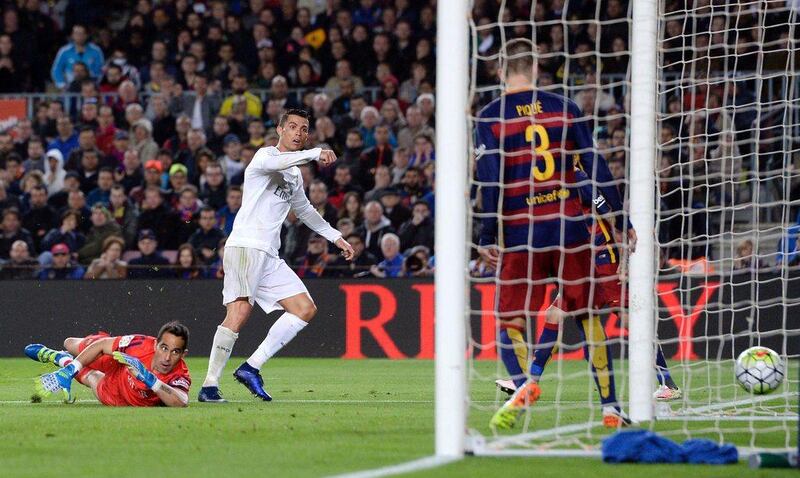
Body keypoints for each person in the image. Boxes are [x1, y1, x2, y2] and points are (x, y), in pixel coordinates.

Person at [477, 39, 634, 430]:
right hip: (569, 226)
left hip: (520, 231)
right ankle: (611, 408)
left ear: (500, 71)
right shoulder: (566, 108)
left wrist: (486, 234)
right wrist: (618, 216)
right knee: (587, 314)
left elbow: (491, 181)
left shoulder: (491, 115)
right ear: (537, 70)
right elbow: (595, 164)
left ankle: (523, 383)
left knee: (510, 318)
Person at [198, 109, 354, 403]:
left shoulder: (294, 175)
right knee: (240, 312)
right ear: (280, 130)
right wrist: (315, 153)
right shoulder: (264, 157)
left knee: (304, 309)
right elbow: (281, 161)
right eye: (292, 127)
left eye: (304, 129)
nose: (298, 133)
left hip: (269, 254)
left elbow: (305, 211)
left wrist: (335, 236)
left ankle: (251, 367)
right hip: (245, 246)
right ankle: (209, 385)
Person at [26, 321, 190, 407]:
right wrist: (71, 370)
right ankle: (69, 364)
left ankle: (62, 359)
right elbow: (103, 345)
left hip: (117, 396)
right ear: (155, 344)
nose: (167, 357)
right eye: (164, 348)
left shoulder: (180, 374)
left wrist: (149, 379)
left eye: (175, 352)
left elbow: (181, 401)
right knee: (70, 343)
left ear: (183, 355)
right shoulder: (139, 344)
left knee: (91, 376)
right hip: (116, 362)